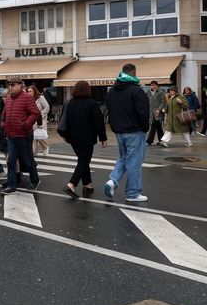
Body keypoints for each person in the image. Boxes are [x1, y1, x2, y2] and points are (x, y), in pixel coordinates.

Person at [103, 63, 150, 202]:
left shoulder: (112, 91)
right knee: (134, 162)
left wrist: (114, 126)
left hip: (119, 131)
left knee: (124, 158)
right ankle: (133, 193)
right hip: (135, 131)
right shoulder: (136, 90)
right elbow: (143, 112)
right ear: (134, 73)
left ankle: (112, 181)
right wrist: (144, 128)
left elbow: (109, 110)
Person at [58, 81, 108, 199]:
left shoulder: (69, 103)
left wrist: (66, 135)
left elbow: (63, 119)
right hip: (87, 138)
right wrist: (103, 137)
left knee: (83, 160)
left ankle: (87, 185)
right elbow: (98, 122)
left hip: (72, 138)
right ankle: (71, 185)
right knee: (83, 161)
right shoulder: (92, 104)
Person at [0, 78, 40, 195]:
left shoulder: (27, 97)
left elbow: (35, 113)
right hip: (11, 134)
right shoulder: (9, 99)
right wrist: (3, 124)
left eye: (12, 85)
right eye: (9, 85)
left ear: (19, 85)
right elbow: (4, 114)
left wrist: (25, 124)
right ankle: (11, 185)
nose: (10, 87)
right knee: (11, 161)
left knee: (28, 160)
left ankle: (34, 180)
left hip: (24, 135)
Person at [28, 85, 51, 156]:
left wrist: (40, 115)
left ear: (34, 91)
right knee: (34, 136)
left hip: (41, 120)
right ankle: (34, 152)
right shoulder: (28, 99)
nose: (29, 93)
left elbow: (47, 107)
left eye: (30, 91)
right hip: (32, 120)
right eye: (28, 91)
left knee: (40, 136)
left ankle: (45, 146)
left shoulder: (41, 98)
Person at [145, 81, 166, 146]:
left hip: (157, 112)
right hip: (151, 112)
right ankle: (161, 140)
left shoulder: (161, 92)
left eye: (154, 85)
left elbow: (163, 102)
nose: (153, 86)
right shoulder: (148, 92)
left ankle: (149, 140)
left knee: (153, 125)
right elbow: (146, 100)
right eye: (152, 85)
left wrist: (159, 109)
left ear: (157, 85)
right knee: (158, 126)